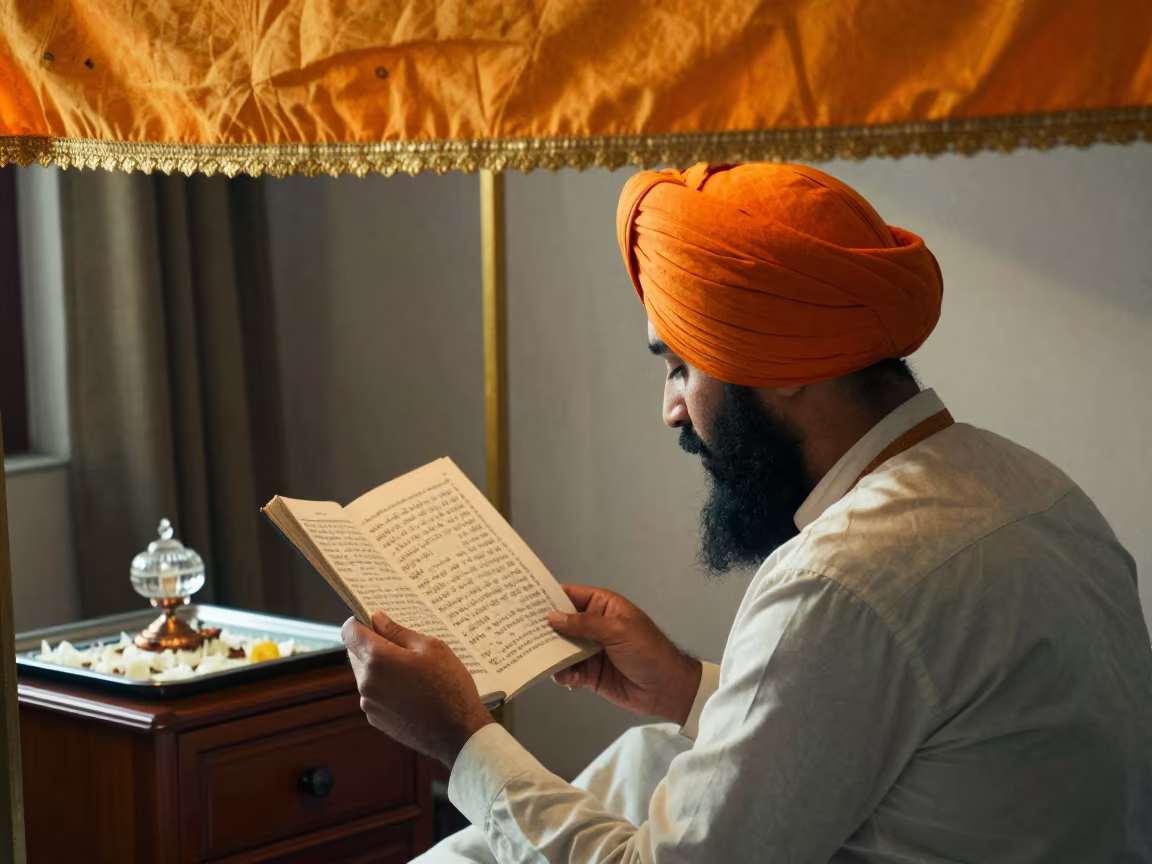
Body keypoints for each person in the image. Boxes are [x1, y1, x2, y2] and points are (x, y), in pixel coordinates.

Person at [342, 162, 1152, 863]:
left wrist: (461, 739)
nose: (671, 409)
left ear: (783, 364)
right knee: (651, 754)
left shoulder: (842, 579)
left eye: (681, 367)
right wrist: (683, 686)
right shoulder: (1032, 486)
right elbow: (888, 725)